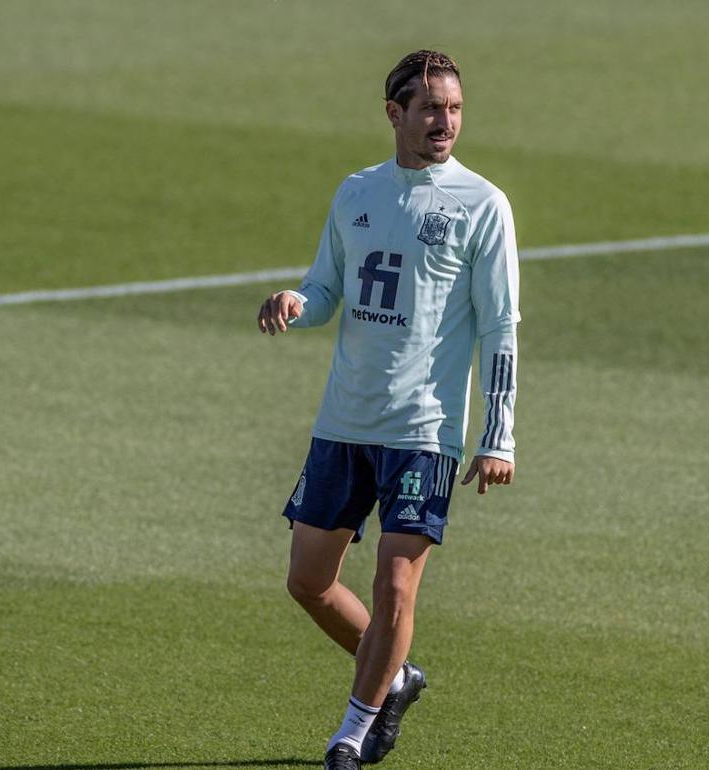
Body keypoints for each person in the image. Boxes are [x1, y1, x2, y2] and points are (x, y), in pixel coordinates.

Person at [256, 50, 520, 770]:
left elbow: (500, 327)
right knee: (307, 582)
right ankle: (396, 679)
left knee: (395, 583)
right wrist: (295, 302)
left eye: (455, 108)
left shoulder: (481, 204)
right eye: (431, 107)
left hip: (423, 430)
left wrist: (499, 435)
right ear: (394, 113)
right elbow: (326, 288)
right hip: (344, 421)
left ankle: (352, 731)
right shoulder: (357, 193)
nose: (446, 121)